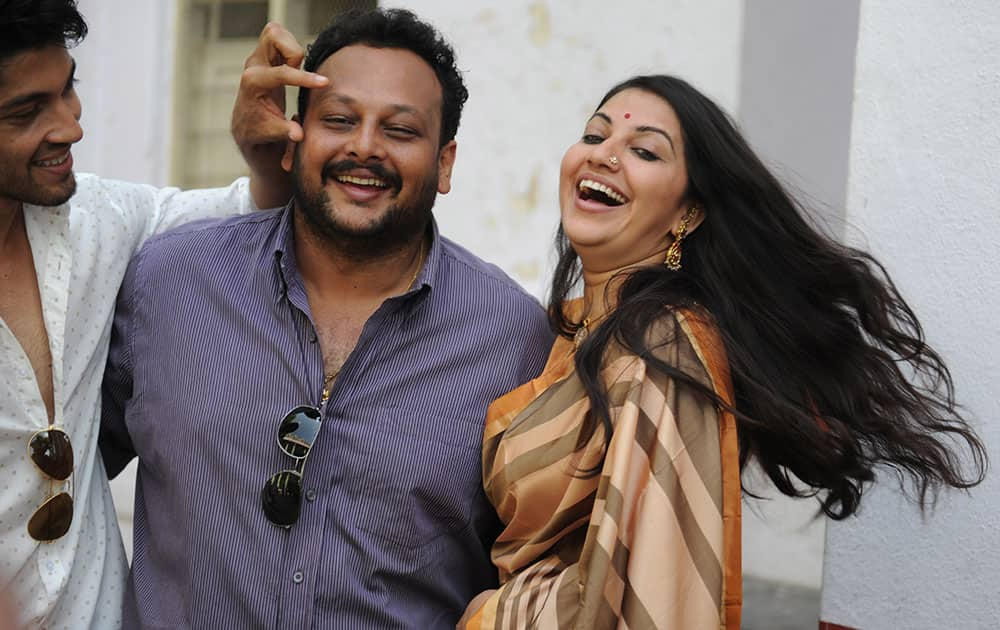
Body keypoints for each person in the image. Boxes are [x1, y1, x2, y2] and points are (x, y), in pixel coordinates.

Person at [458, 75, 988, 629]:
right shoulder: (568, 329)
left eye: (643, 150)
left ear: (687, 214)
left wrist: (494, 613)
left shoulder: (663, 349)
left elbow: (646, 591)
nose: (606, 156)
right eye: (594, 136)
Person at [99, 8, 553, 629]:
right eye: (339, 120)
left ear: (445, 164)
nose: (364, 146)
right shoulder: (170, 282)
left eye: (399, 130)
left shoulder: (514, 340)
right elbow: (64, 472)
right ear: (295, 136)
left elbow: (533, 571)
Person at [0, 1, 323, 627]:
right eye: (26, 111)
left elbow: (245, 225)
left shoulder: (97, 221)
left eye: (69, 90)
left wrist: (261, 155)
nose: (70, 127)